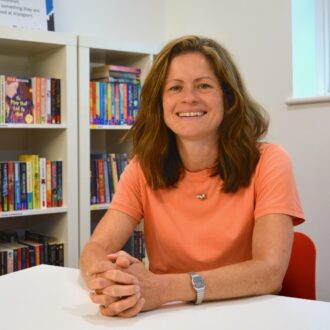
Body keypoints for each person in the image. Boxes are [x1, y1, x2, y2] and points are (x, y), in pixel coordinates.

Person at [80, 35, 304, 318]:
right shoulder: (142, 168)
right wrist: (111, 284)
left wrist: (163, 288)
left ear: (228, 98)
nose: (189, 98)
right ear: (159, 103)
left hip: (247, 315)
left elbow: (269, 272)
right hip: (167, 317)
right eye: (175, 87)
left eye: (204, 85)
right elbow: (95, 249)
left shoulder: (269, 161)